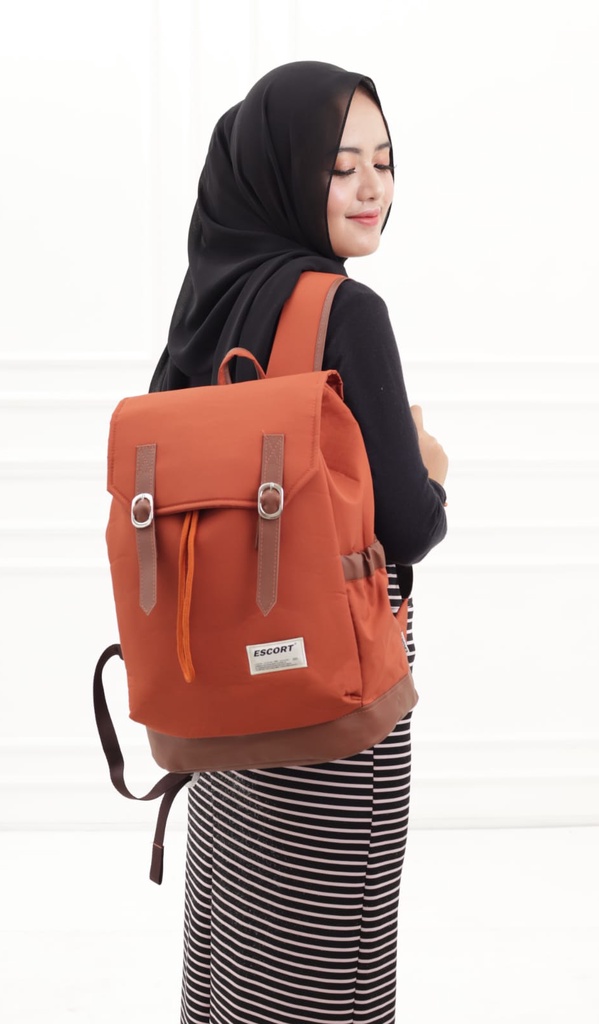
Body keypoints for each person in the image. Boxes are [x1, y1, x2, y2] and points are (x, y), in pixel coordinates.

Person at [149, 60, 449, 1024]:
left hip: (220, 711)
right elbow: (408, 527)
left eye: (384, 162)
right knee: (325, 979)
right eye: (340, 165)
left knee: (236, 972)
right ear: (285, 173)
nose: (371, 189)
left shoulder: (210, 304)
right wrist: (431, 467)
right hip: (328, 714)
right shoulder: (345, 311)